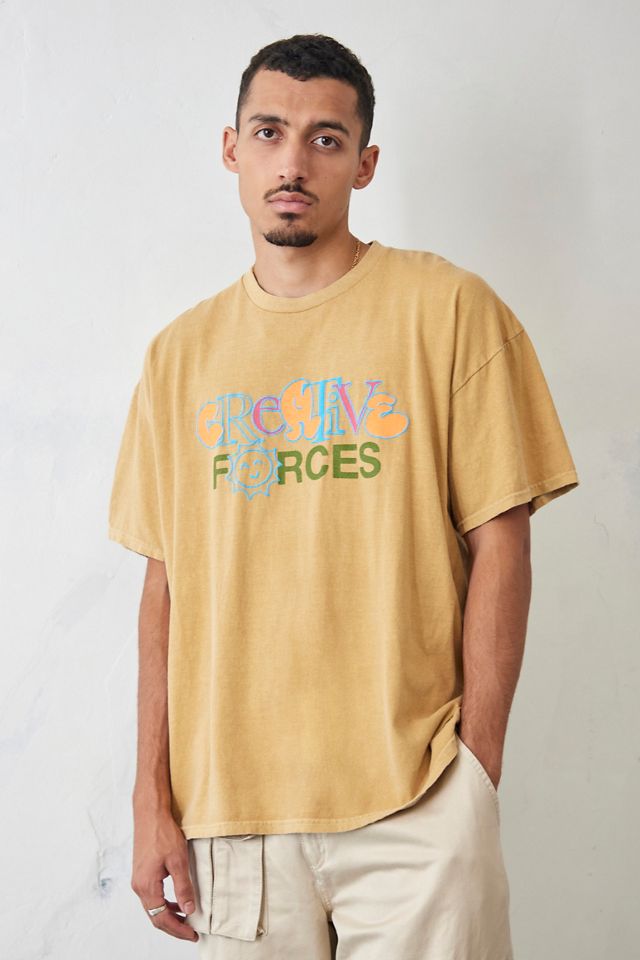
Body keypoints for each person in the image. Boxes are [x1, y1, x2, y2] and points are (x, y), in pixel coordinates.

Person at [108, 33, 580, 959]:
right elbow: (164, 584)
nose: (293, 163)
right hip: (232, 816)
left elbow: (502, 540)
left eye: (326, 139)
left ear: (365, 163)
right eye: (269, 132)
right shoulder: (178, 358)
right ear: (231, 149)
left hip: (415, 799)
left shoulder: (448, 311)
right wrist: (148, 797)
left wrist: (475, 772)